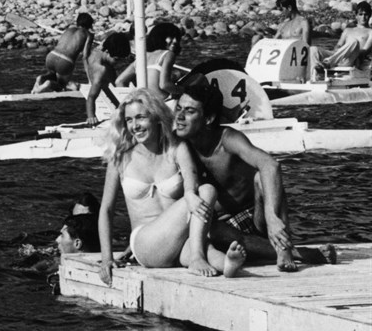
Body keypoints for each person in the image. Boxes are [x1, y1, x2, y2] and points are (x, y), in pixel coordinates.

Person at [173, 83, 335, 271]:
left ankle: (283, 248)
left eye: (189, 111)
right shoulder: (176, 145)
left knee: (262, 178)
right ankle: (297, 252)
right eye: (178, 108)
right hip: (220, 228)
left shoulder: (227, 139)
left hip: (256, 218)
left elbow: (270, 165)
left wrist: (272, 218)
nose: (179, 116)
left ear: (208, 118)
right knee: (210, 227)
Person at [98, 88, 243, 287]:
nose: (134, 126)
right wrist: (107, 258)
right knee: (207, 191)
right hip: (146, 244)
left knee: (201, 241)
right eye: (129, 120)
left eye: (140, 117)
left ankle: (226, 265)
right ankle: (196, 258)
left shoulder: (176, 149)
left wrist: (191, 193)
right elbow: (106, 209)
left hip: (177, 240)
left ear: (156, 117)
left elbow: (192, 181)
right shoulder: (121, 158)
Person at [116, 22, 184, 101]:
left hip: (146, 103)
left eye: (177, 38)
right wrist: (185, 90)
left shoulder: (142, 57)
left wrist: (130, 102)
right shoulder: (168, 54)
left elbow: (119, 81)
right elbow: (164, 85)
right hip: (163, 103)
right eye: (171, 37)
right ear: (160, 37)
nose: (175, 41)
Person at [31, 12, 94, 93]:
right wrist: (90, 80)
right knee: (62, 85)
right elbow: (85, 56)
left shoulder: (69, 29)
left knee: (53, 75)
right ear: (89, 24)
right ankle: (48, 84)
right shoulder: (88, 35)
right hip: (65, 61)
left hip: (51, 56)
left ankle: (41, 78)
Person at [310, 1, 372, 80]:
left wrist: (348, 52)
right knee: (313, 49)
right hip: (339, 56)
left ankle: (328, 63)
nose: (363, 17)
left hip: (352, 59)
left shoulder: (370, 32)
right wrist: (338, 49)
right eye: (361, 14)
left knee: (354, 42)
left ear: (370, 15)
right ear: (356, 15)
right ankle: (316, 74)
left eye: (366, 14)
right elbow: (339, 45)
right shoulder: (347, 30)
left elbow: (364, 51)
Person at [83, 32, 131, 126]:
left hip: (104, 77)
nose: (118, 62)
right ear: (107, 52)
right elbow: (91, 97)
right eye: (117, 59)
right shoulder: (101, 70)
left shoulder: (100, 49)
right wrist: (91, 117)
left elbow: (85, 56)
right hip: (101, 86)